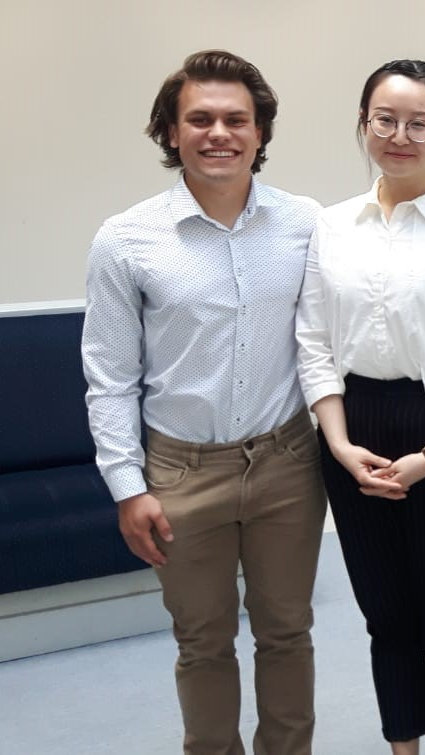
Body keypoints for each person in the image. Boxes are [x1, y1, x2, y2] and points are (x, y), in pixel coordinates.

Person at [82, 49, 326, 754]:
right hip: (181, 473)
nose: (218, 132)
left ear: (259, 132)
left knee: (287, 632)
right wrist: (128, 487)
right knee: (203, 641)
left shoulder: (305, 223)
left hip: (285, 462)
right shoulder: (126, 240)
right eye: (200, 119)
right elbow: (108, 375)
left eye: (235, 119)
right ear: (170, 132)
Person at [295, 60, 425, 755]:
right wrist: (337, 442)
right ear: (363, 125)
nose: (400, 134)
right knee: (384, 613)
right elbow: (313, 341)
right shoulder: (331, 226)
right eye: (384, 119)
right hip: (350, 431)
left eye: (419, 122)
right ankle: (402, 747)